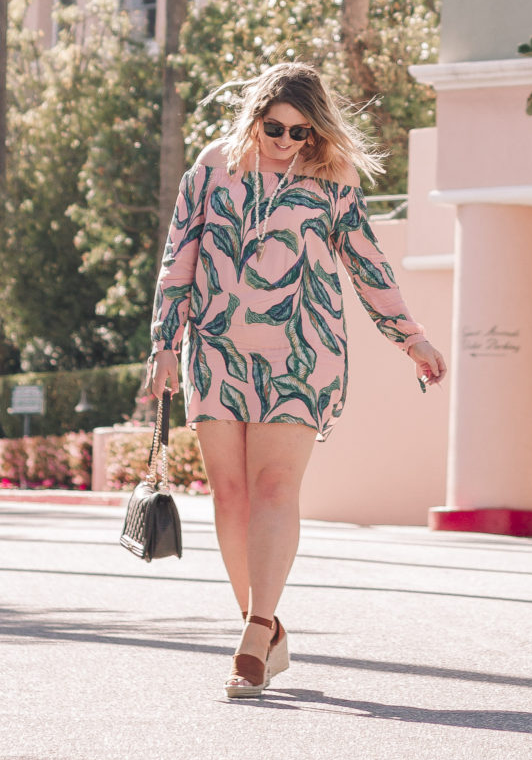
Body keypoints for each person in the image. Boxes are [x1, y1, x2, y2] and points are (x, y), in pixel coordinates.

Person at [143, 60, 446, 698]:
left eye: (302, 133)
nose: (287, 142)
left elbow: (366, 263)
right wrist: (164, 343)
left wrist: (410, 337)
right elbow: (180, 257)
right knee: (231, 495)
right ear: (256, 116)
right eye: (276, 127)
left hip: (302, 353)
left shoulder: (331, 177)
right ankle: (265, 627)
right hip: (217, 348)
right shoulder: (211, 166)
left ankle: (254, 635)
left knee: (275, 487)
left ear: (317, 134)